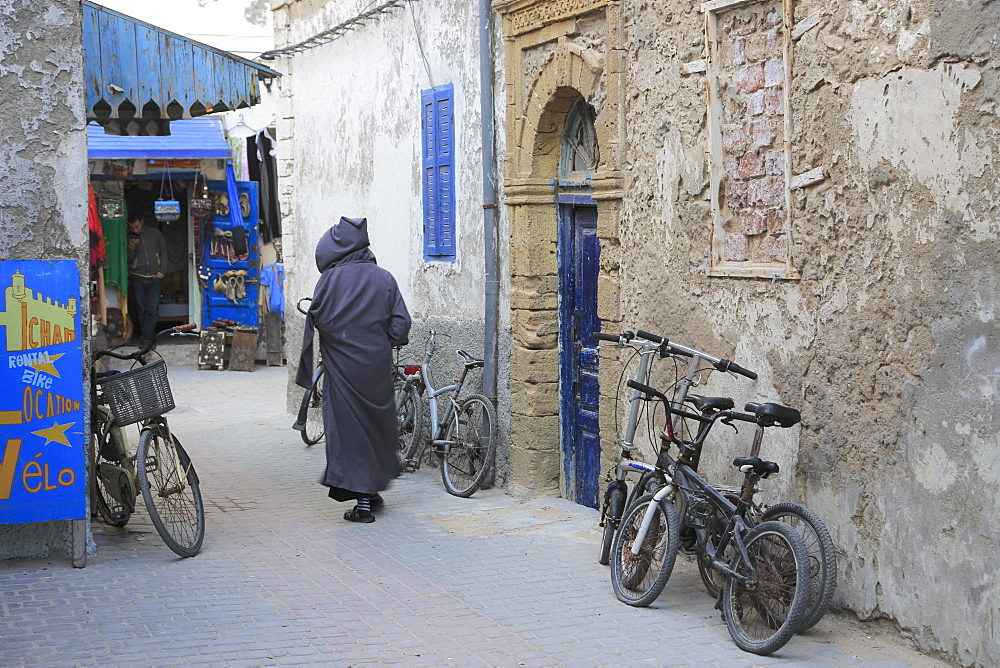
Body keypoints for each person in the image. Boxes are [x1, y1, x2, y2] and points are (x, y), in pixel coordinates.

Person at [296, 216, 411, 523]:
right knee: (376, 428)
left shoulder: (329, 281)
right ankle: (371, 491)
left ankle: (362, 503)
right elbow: (401, 325)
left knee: (349, 433)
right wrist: (379, 342)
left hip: (342, 370)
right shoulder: (384, 278)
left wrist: (340, 341)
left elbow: (318, 318)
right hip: (376, 369)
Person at [126, 213, 166, 347]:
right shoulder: (128, 237)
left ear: (142, 222)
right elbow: (128, 260)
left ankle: (147, 338)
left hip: (155, 277)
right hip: (138, 276)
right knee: (141, 308)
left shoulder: (155, 233)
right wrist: (131, 247)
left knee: (152, 308)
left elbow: (164, 253)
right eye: (132, 228)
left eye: (137, 227)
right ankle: (145, 338)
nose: (135, 230)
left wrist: (161, 272)